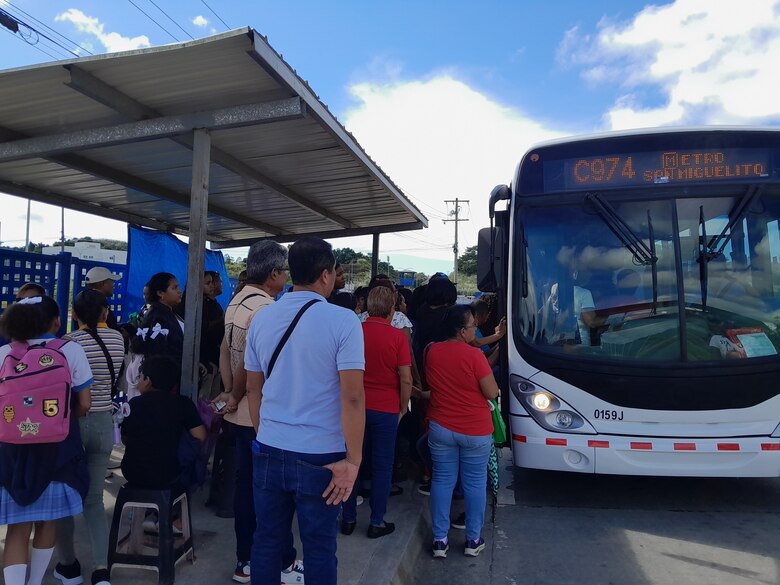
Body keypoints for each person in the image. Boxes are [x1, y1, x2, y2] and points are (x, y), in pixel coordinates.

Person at [245, 236, 365, 585]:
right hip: (321, 456)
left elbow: (254, 388)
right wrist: (354, 462)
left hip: (268, 447)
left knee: (266, 541)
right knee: (319, 548)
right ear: (326, 275)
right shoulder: (343, 322)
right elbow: (353, 397)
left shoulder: (263, 319)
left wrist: (262, 433)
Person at [208, 241, 303, 584]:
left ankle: (244, 560)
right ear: (275, 274)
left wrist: (226, 389)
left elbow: (224, 350)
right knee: (270, 495)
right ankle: (280, 562)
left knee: (245, 490)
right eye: (284, 272)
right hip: (258, 415)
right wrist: (235, 394)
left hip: (239, 415)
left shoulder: (236, 301)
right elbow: (254, 365)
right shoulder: (265, 310)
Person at [0, 296, 93, 585]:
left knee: (17, 527)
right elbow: (85, 403)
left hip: (12, 450)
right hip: (58, 448)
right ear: (52, 321)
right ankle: (35, 581)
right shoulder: (70, 350)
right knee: (47, 520)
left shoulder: (4, 353)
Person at [54, 290, 125, 585]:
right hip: (102, 424)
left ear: (74, 316)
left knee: (65, 498)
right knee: (94, 500)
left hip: (74, 423)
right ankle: (101, 570)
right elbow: (118, 381)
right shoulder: (120, 339)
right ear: (105, 313)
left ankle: (68, 566)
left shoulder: (69, 344)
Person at [425, 305, 499, 559]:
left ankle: (439, 540)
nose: (475, 328)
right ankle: (472, 539)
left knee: (442, 481)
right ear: (461, 331)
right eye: (471, 325)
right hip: (475, 430)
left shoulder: (431, 351)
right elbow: (491, 392)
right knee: (475, 483)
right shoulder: (475, 356)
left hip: (441, 427)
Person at [341, 286, 412, 538]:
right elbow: (405, 378)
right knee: (383, 466)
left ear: (367, 307)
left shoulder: (354, 332)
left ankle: (347, 518)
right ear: (392, 310)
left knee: (352, 461)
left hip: (355, 408)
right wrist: (403, 407)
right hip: (386, 409)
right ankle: (376, 521)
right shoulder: (398, 338)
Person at [120, 355, 206, 489]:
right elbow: (200, 436)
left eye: (140, 377)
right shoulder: (184, 404)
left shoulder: (134, 404)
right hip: (171, 473)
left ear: (148, 381)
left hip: (133, 472)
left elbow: (125, 436)